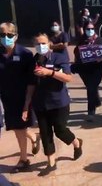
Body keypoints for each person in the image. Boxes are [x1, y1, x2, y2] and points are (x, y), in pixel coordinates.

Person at [30, 33, 83, 176]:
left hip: (59, 102)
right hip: (40, 103)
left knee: (60, 130)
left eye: (43, 43)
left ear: (49, 44)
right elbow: (30, 84)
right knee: (45, 133)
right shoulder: (33, 61)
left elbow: (68, 77)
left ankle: (76, 142)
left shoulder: (58, 58)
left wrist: (50, 72)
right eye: (37, 44)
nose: (40, 46)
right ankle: (51, 163)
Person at [0, 22, 40, 173]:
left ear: (15, 36)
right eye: (2, 35)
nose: (5, 38)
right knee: (17, 127)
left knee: (19, 127)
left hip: (23, 98)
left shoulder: (25, 54)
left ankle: (24, 159)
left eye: (9, 35)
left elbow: (31, 81)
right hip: (7, 98)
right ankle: (34, 137)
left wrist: (27, 103)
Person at [73, 22, 102, 121]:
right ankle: (96, 101)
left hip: (96, 69)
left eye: (91, 28)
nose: (90, 31)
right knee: (91, 87)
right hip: (83, 69)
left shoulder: (99, 40)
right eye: (87, 29)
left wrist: (99, 58)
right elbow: (76, 53)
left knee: (91, 88)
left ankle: (91, 112)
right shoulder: (81, 40)